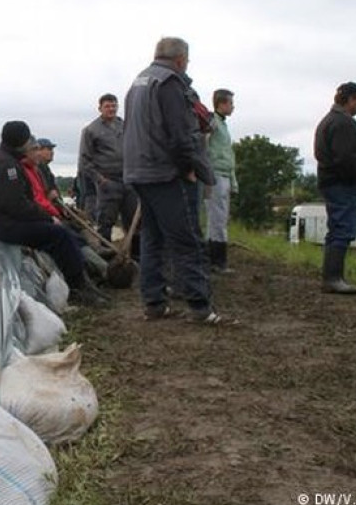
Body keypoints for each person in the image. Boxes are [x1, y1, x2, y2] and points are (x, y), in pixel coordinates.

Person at [123, 37, 225, 324]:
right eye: (187, 61)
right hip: (166, 172)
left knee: (153, 239)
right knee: (187, 240)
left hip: (139, 170)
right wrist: (189, 167)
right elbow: (181, 133)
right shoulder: (170, 83)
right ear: (181, 59)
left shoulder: (139, 82)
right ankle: (201, 308)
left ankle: (154, 303)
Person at [0, 121, 108, 305]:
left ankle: (85, 278)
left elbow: (19, 204)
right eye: (27, 138)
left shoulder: (4, 160)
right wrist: (48, 218)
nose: (30, 142)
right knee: (59, 234)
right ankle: (78, 287)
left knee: (64, 231)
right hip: (3, 226)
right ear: (20, 140)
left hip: (2, 222)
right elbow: (17, 205)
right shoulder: (7, 166)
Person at [314, 82, 356, 294]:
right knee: (343, 229)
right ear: (350, 100)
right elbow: (345, 158)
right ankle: (333, 278)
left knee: (338, 228)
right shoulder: (343, 123)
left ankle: (332, 277)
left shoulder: (330, 121)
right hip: (342, 183)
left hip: (333, 182)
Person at [79, 94, 140, 251]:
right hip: (108, 182)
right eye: (107, 106)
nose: (111, 109)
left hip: (128, 180)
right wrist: (100, 180)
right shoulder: (91, 130)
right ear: (100, 108)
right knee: (106, 221)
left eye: (114, 106)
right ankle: (106, 256)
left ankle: (136, 256)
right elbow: (85, 160)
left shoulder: (124, 125)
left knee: (134, 221)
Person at [205, 88, 238, 273]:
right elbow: (204, 144)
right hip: (215, 175)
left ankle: (214, 259)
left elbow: (228, 154)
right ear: (222, 104)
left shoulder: (223, 125)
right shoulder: (212, 122)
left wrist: (233, 181)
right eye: (231, 103)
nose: (233, 107)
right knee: (217, 218)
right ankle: (218, 261)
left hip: (224, 175)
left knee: (219, 217)